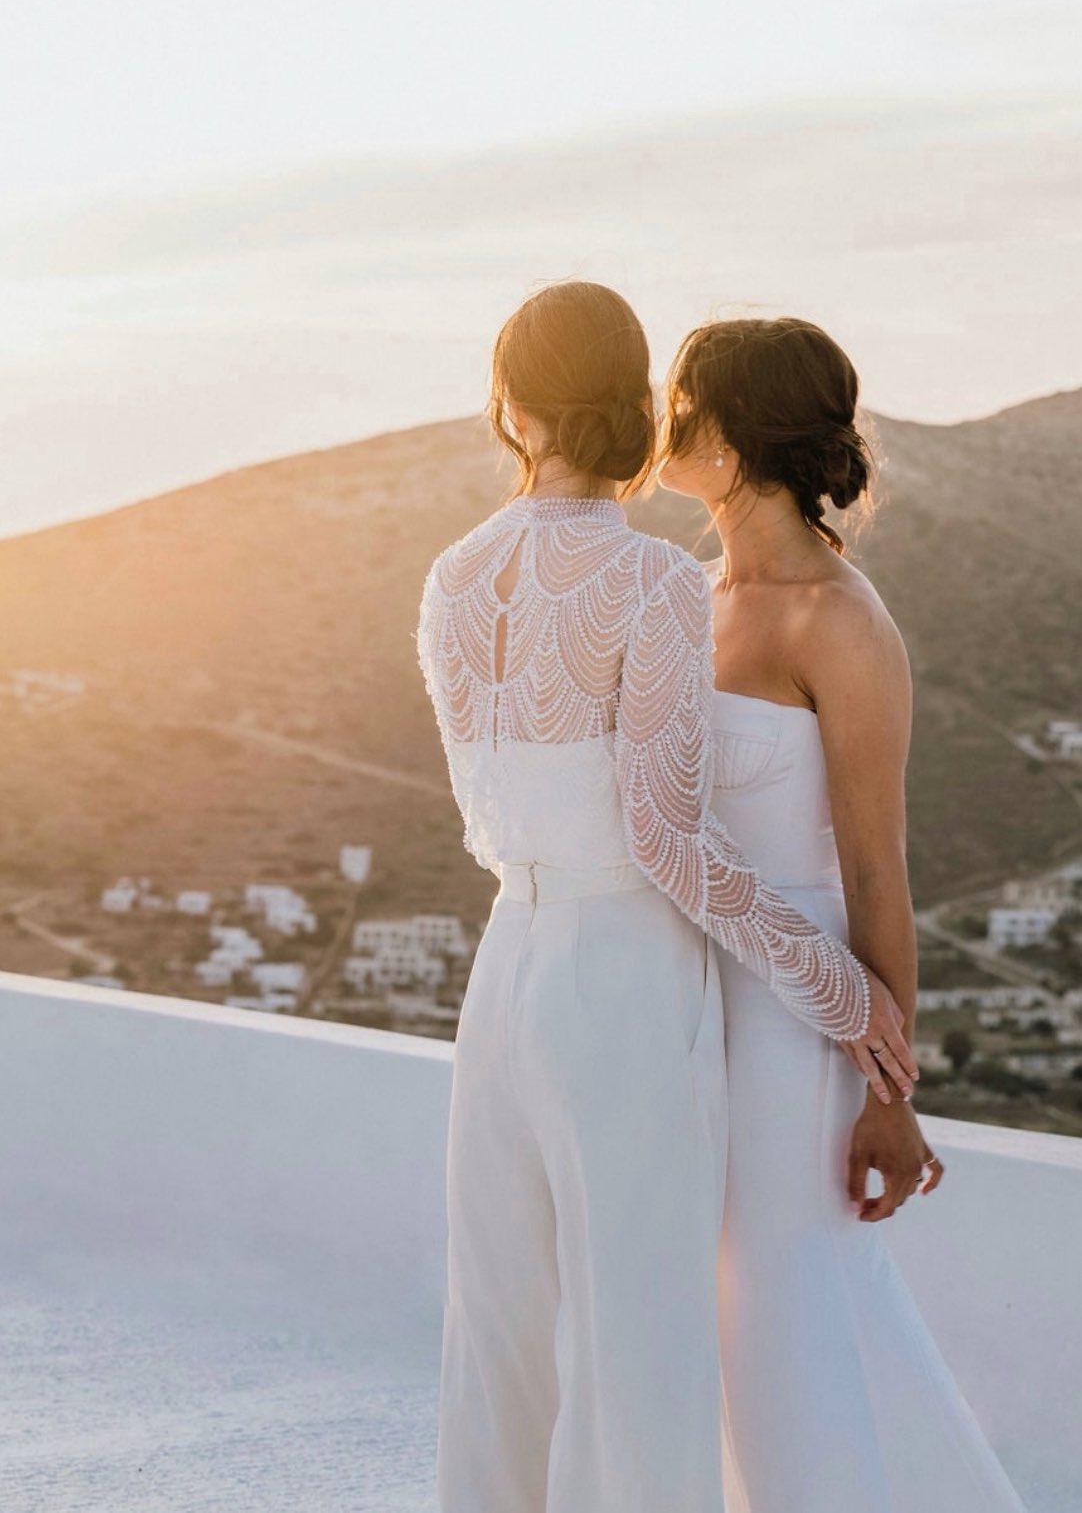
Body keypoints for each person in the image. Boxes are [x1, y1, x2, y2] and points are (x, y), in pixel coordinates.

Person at [415, 281, 916, 1513]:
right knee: (640, 1330)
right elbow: (663, 837)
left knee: (497, 1324)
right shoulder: (648, 582)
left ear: (508, 405)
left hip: (506, 962)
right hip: (624, 975)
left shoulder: (449, 572)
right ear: (631, 407)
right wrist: (840, 989)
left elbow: (486, 811)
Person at [658, 313, 1028, 1513]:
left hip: (794, 1019)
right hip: (680, 997)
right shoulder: (688, 593)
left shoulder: (841, 620)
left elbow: (876, 872)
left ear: (731, 431)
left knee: (775, 1307)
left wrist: (888, 1095)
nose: (662, 424)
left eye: (681, 401)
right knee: (716, 1311)